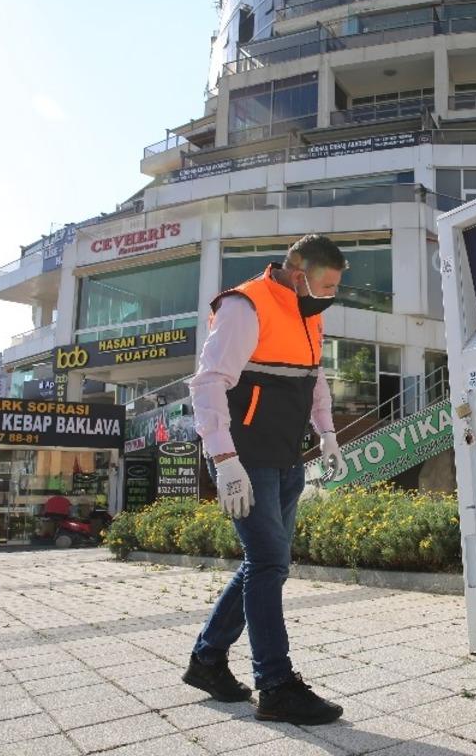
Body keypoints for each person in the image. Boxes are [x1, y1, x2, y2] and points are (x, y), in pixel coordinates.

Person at [183, 234, 347, 725]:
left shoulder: (308, 313)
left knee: (263, 563)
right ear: (299, 273)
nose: (330, 295)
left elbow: (314, 378)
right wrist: (224, 459)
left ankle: (207, 660)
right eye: (326, 284)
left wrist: (328, 433)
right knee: (270, 562)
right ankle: (275, 684)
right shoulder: (244, 305)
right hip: (244, 457)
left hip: (285, 458)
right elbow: (209, 383)